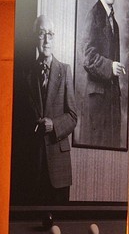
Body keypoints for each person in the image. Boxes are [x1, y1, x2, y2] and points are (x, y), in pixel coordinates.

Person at [11, 15, 79, 205]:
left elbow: (73, 116)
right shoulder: (25, 73)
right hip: (32, 165)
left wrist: (53, 125)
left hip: (59, 168)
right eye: (41, 34)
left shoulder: (65, 71)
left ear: (54, 38)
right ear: (35, 38)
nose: (47, 40)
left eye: (50, 34)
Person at [78, 0, 127, 148]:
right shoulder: (94, 14)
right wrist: (110, 66)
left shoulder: (114, 22)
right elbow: (87, 57)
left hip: (111, 103)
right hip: (97, 104)